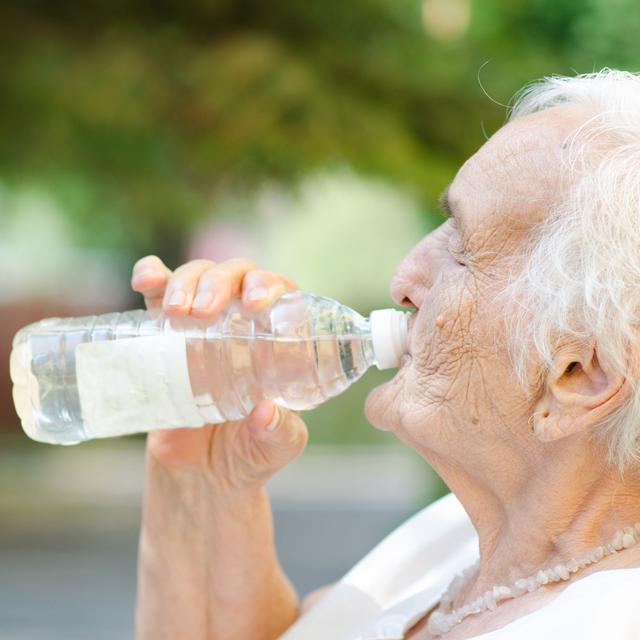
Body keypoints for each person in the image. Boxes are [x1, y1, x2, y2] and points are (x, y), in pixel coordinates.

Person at [132, 70, 640, 639]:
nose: (403, 278)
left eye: (463, 248)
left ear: (580, 375)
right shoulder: (454, 542)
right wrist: (202, 480)